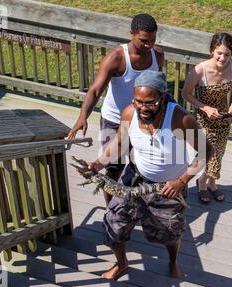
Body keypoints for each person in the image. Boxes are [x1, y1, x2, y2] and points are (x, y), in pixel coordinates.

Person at [79, 71, 213, 280]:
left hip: (169, 186)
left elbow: (206, 151)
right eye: (138, 101)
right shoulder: (129, 113)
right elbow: (120, 144)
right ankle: (122, 264)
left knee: (170, 233)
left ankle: (172, 261)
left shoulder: (180, 119)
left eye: (149, 103)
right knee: (114, 223)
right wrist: (96, 164)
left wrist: (182, 181)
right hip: (134, 179)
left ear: (162, 97)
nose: (142, 107)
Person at [66, 13, 164, 207]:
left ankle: (140, 203)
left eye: (153, 40)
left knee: (143, 165)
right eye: (144, 40)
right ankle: (111, 208)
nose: (149, 45)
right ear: (132, 34)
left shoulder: (157, 55)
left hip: (143, 119)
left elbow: (158, 86)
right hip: (115, 119)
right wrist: (82, 116)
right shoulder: (117, 58)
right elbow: (95, 90)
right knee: (113, 167)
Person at [182, 32, 232, 204]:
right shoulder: (200, 70)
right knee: (210, 153)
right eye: (219, 53)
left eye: (227, 54)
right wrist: (205, 108)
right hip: (204, 118)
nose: (222, 58)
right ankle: (202, 184)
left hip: (223, 118)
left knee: (219, 152)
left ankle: (212, 183)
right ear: (212, 50)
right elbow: (186, 94)